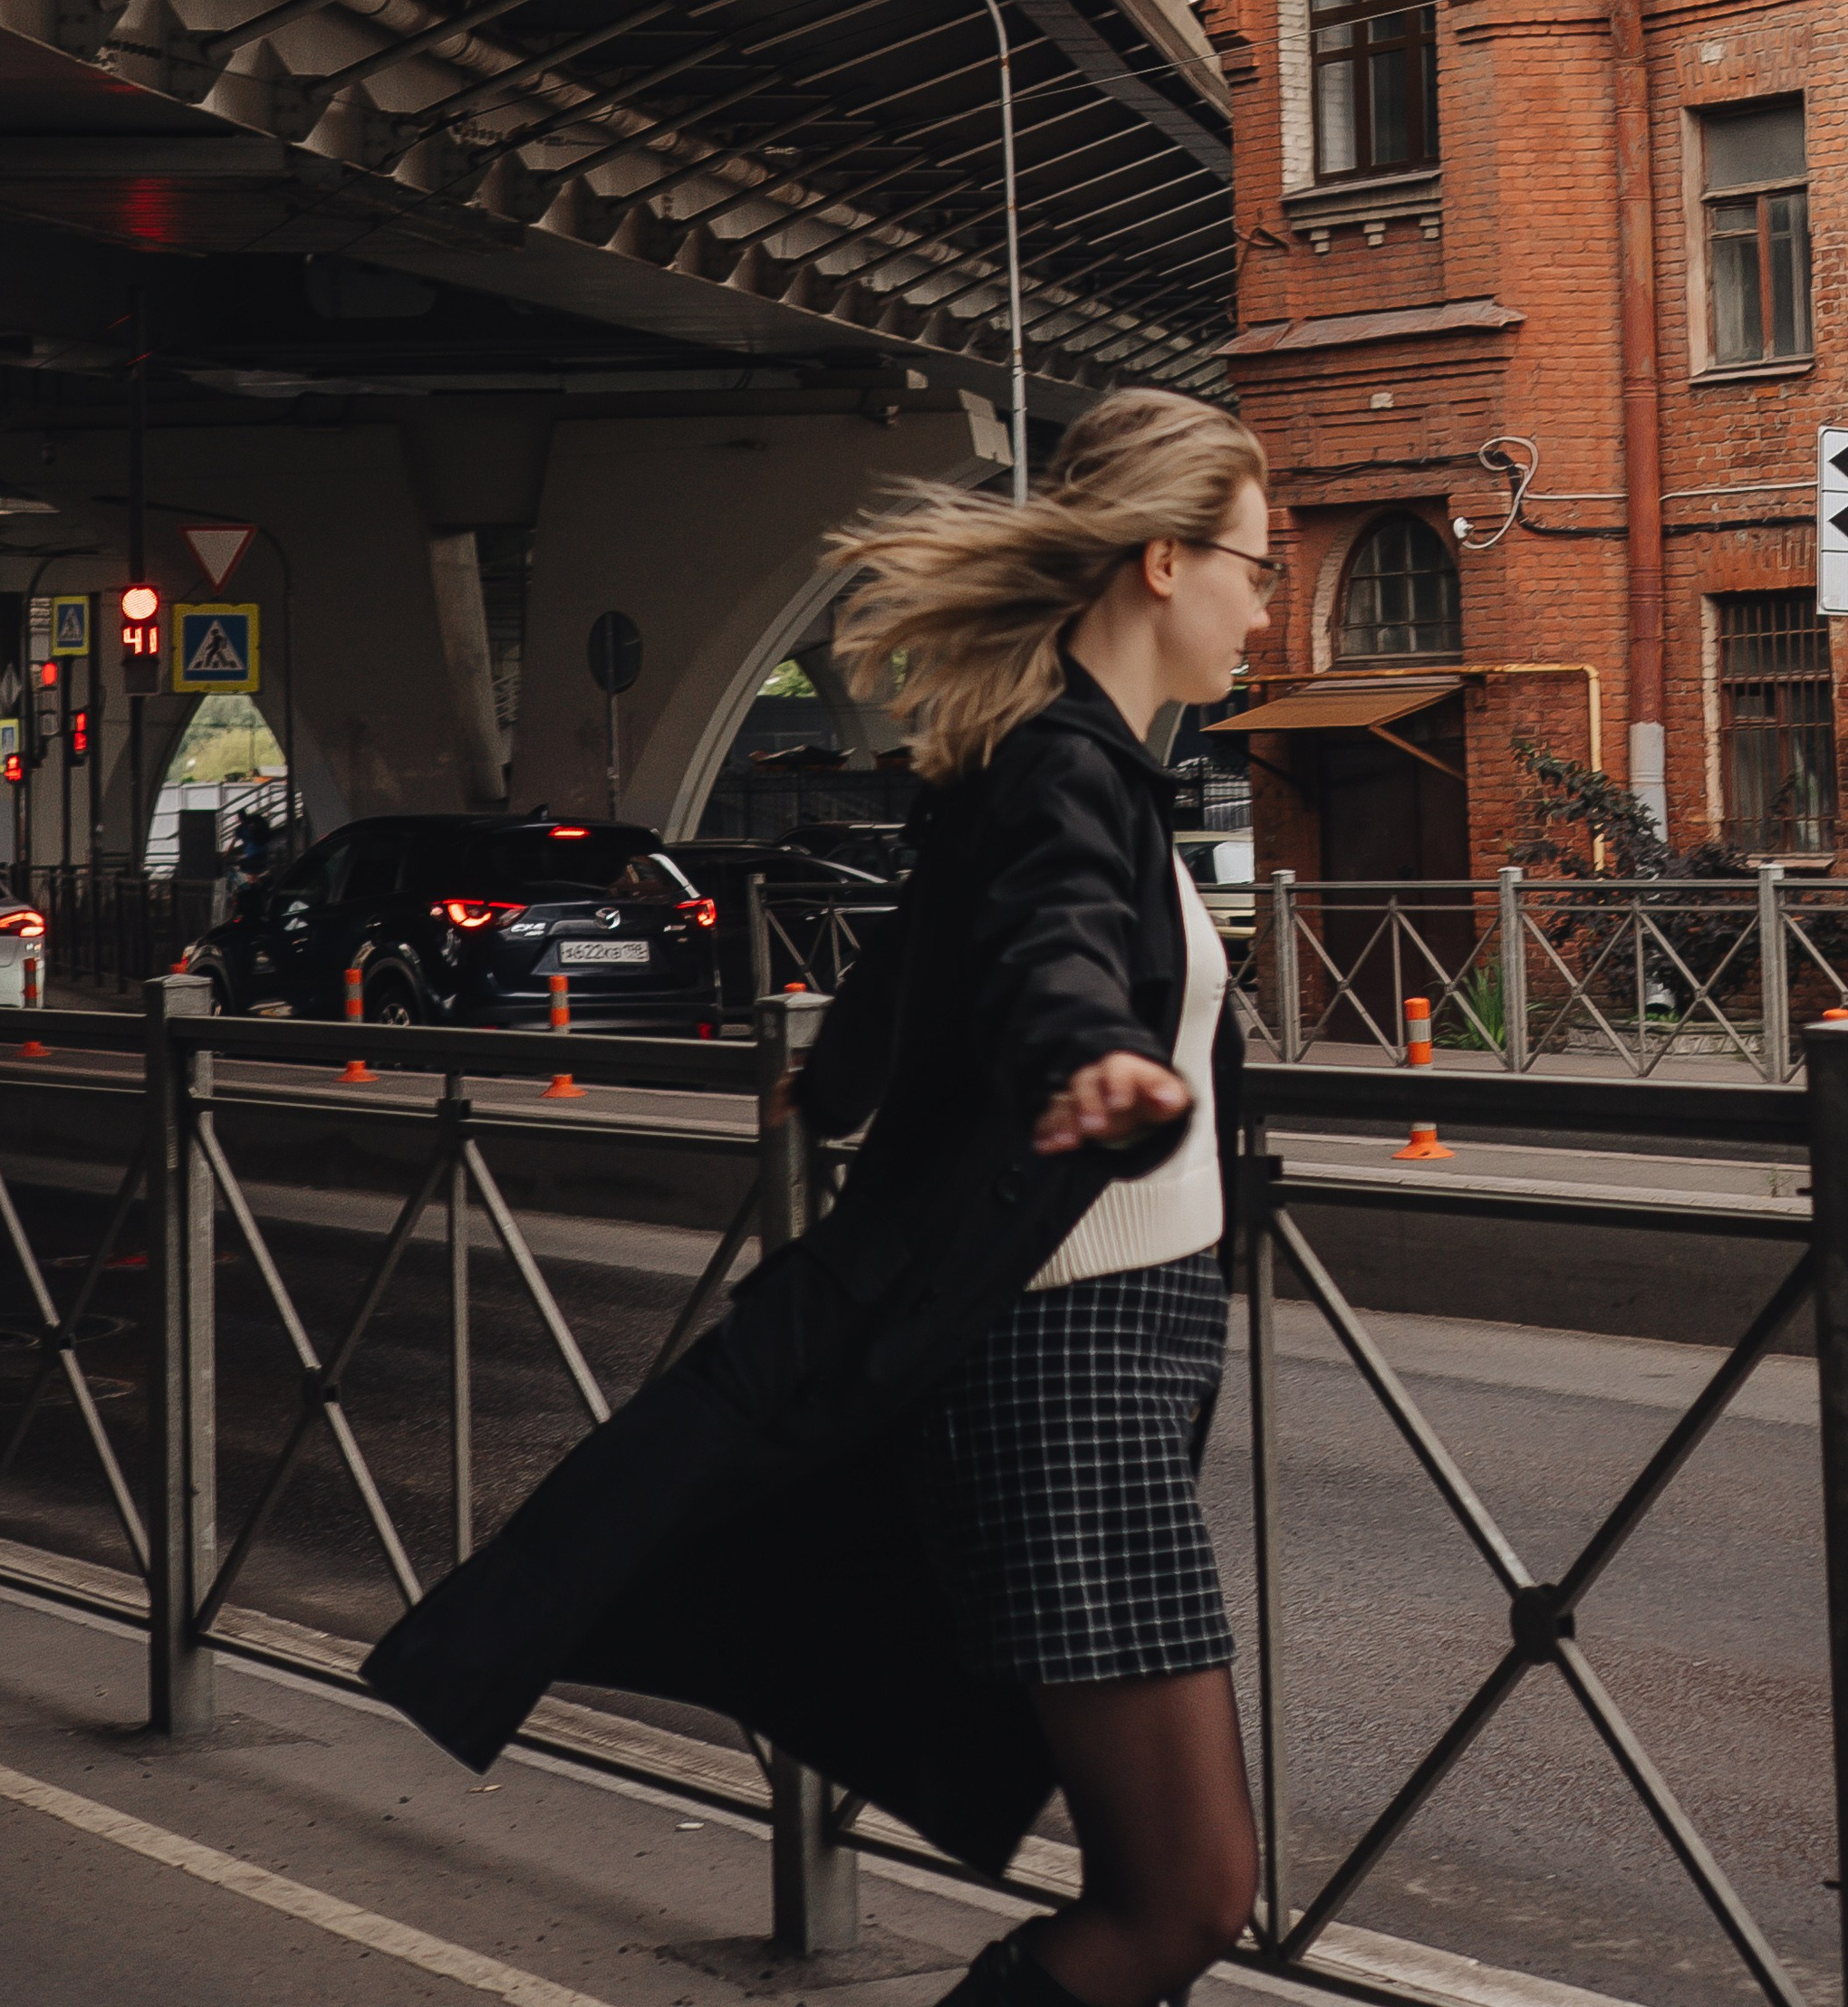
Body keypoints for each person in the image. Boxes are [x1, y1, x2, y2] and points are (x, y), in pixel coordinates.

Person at [363, 388, 1277, 2007]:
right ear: (1159, 562)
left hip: (1112, 1371)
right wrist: (1094, 1054)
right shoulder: (1067, 769)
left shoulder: (1072, 761)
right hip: (1064, 1375)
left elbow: (938, 936)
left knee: (1181, 1887)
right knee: (1187, 1896)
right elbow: (1050, 938)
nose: (1265, 608)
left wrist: (842, 1081)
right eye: (1254, 569)